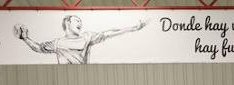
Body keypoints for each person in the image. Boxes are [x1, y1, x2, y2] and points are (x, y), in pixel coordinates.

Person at [15, 14, 147, 64]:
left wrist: (133, 28)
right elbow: (38, 48)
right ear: (67, 23)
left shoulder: (87, 37)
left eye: (81, 21)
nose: (80, 23)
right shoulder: (57, 43)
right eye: (77, 21)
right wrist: (25, 38)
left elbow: (108, 33)